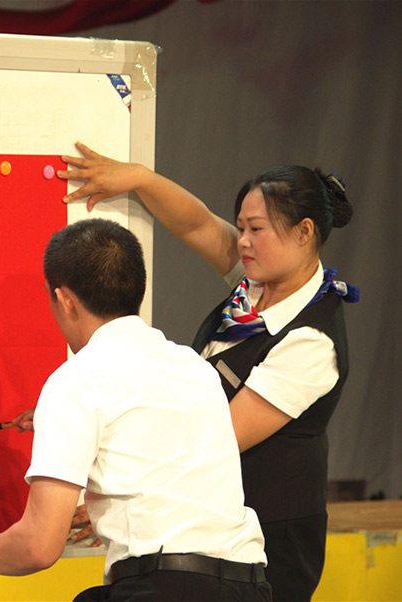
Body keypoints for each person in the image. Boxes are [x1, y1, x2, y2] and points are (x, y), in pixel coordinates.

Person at [59, 142, 357, 601]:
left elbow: (215, 435)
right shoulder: (255, 288)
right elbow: (197, 223)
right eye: (241, 227)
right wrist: (138, 177)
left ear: (304, 232)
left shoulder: (311, 340)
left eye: (256, 229)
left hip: (269, 541)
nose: (242, 241)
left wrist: (111, 469)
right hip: (207, 526)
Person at [0, 218, 271, 602]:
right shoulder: (193, 367)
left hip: (164, 588)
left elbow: (38, 546)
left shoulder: (76, 380)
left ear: (65, 300)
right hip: (249, 586)